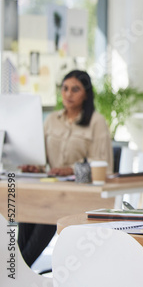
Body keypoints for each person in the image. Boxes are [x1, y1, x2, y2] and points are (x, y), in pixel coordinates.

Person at [18, 69, 113, 267]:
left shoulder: (96, 122)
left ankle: (16, 272)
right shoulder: (52, 120)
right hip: (48, 188)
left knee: (46, 213)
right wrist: (35, 166)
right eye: (65, 88)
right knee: (26, 209)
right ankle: (17, 272)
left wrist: (70, 169)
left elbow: (104, 164)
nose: (68, 94)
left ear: (86, 94)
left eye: (75, 89)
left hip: (76, 194)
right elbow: (42, 158)